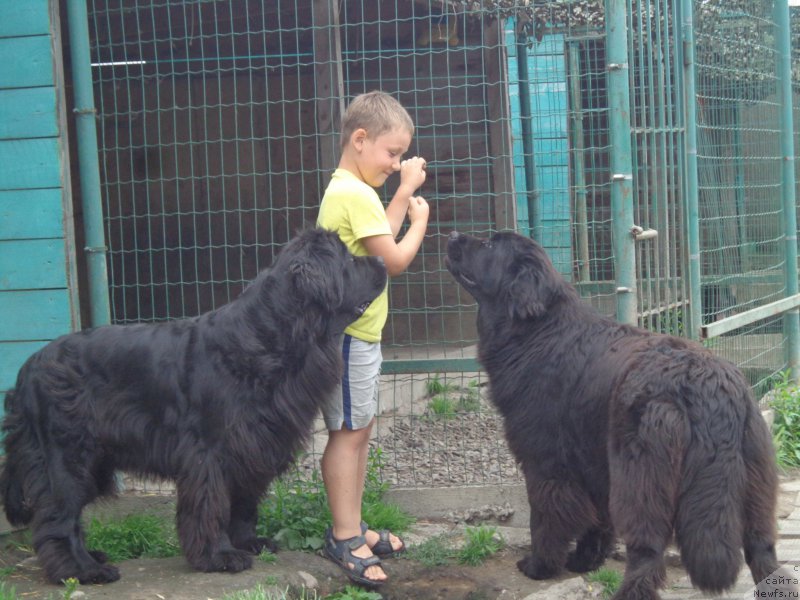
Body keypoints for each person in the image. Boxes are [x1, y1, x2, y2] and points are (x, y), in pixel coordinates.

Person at [316, 90, 429, 586]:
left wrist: (401, 193)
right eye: (392, 153)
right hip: (347, 338)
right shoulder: (354, 194)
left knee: (358, 429)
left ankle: (354, 524)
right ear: (360, 139)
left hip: (358, 335)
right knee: (347, 433)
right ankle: (344, 536)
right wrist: (420, 220)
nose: (396, 163)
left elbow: (377, 237)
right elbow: (393, 259)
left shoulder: (349, 189)